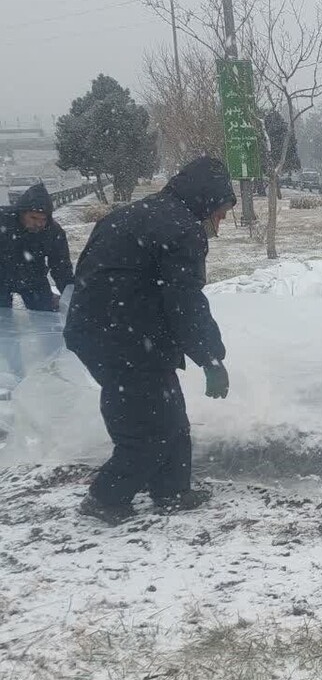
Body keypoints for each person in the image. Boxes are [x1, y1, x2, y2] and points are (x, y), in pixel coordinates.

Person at [65, 157, 236, 525]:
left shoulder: (138, 214)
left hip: (112, 330)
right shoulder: (181, 229)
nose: (218, 225)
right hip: (123, 338)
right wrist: (210, 358)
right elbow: (185, 301)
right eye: (220, 215)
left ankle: (172, 491)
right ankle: (106, 498)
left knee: (168, 413)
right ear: (206, 203)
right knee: (148, 429)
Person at [0, 183, 74, 311]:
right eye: (33, 218)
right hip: (1, 275)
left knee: (47, 317)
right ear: (22, 213)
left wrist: (70, 297)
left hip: (33, 277)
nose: (39, 224)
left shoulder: (53, 232)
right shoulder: (3, 221)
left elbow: (61, 266)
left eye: (43, 219)